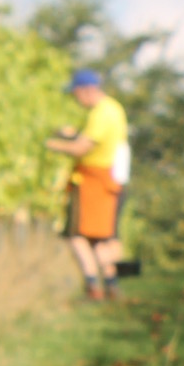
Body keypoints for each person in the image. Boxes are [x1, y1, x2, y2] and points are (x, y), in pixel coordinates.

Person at [46, 68, 130, 299]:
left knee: (76, 234)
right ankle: (110, 285)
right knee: (99, 237)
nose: (75, 100)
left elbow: (81, 149)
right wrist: (73, 134)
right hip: (108, 180)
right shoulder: (114, 108)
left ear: (85, 91)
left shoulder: (101, 114)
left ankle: (93, 286)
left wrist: (52, 144)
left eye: (75, 94)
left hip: (94, 181)